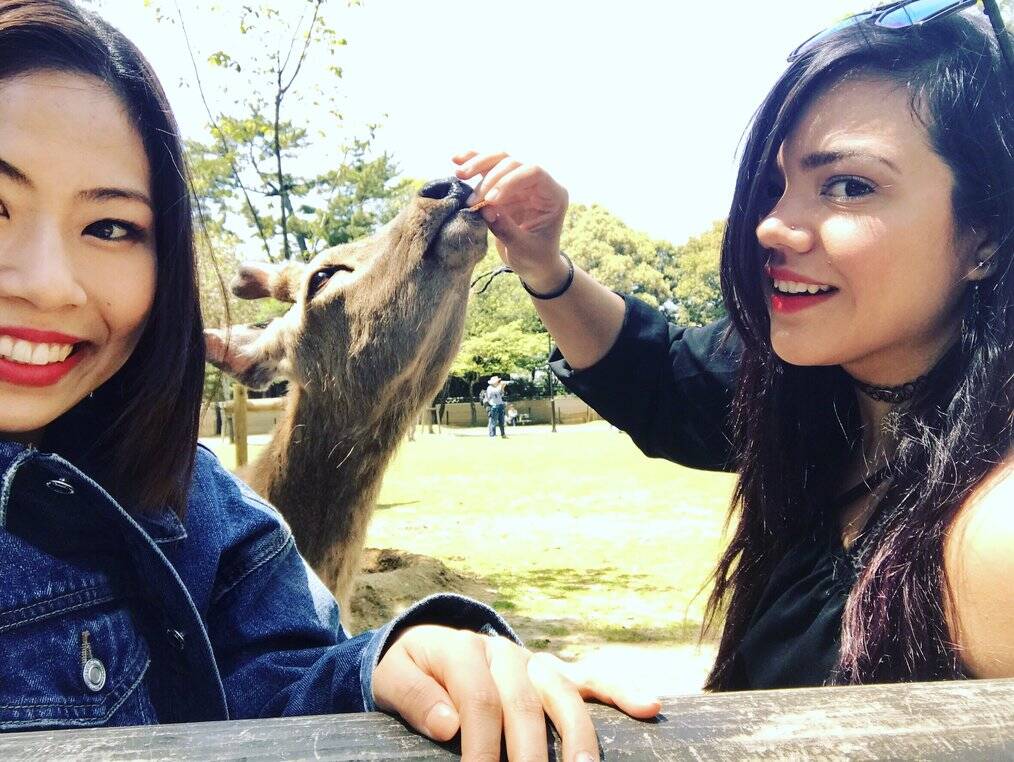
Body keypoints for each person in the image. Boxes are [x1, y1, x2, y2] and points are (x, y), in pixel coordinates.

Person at [0, 1, 661, 754]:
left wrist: (391, 662)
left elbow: (271, 673)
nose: (49, 286)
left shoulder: (201, 511)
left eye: (111, 227)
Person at [455, 1, 1013, 689]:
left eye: (848, 186)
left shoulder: (994, 534)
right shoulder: (803, 388)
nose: (772, 225)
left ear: (985, 235)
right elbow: (659, 379)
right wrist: (542, 263)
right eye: (777, 185)